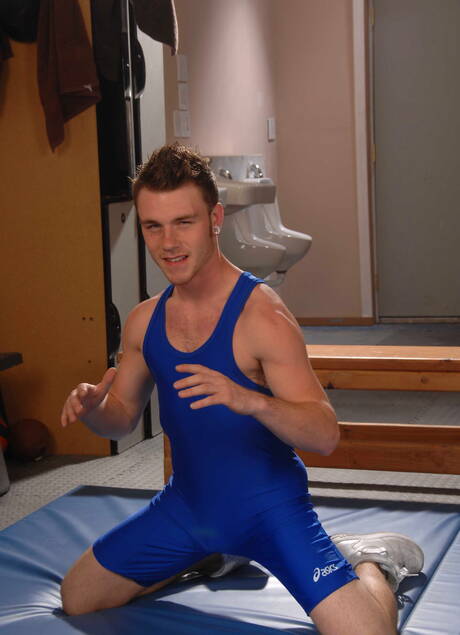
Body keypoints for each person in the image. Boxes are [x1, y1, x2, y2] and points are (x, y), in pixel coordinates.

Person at [60, 143, 423, 633]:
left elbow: (325, 435)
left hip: (270, 512)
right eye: (153, 226)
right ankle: (211, 554)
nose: (168, 242)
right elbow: (121, 417)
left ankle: (374, 562)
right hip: (188, 508)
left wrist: (250, 400)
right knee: (79, 598)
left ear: (215, 218)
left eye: (183, 222)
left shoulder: (262, 316)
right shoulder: (144, 321)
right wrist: (94, 409)